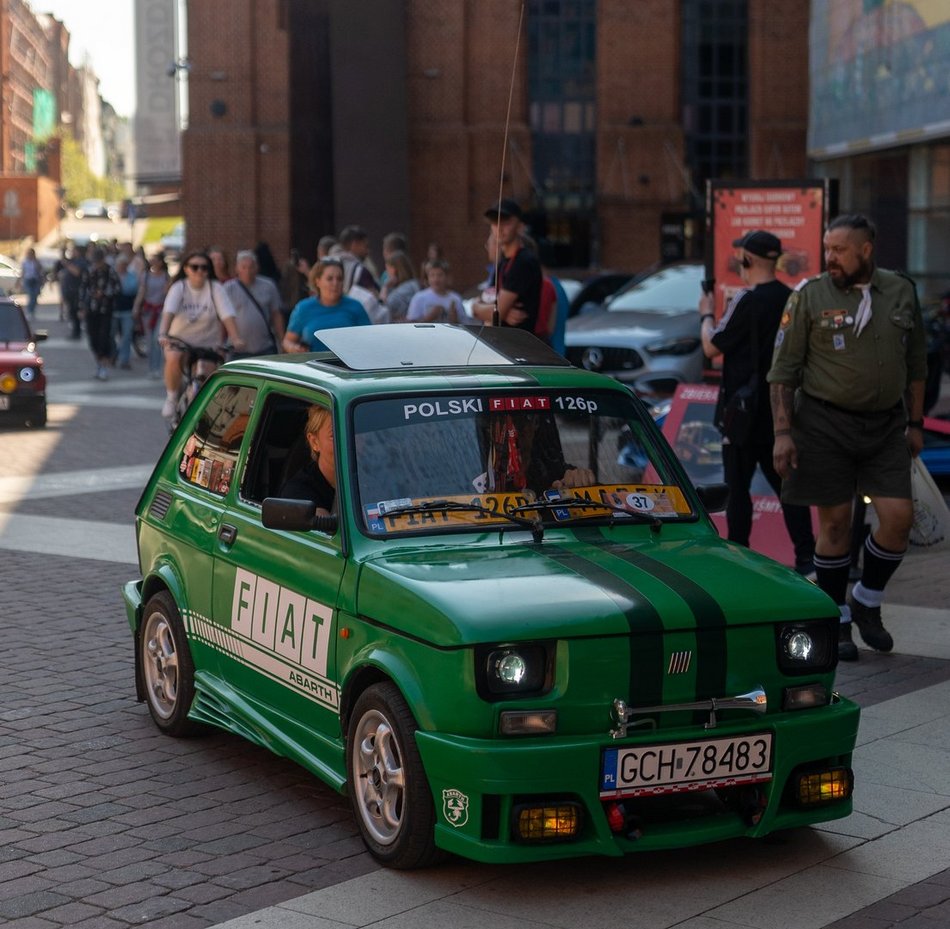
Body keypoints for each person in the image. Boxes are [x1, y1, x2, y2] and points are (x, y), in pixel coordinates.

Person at [768, 214, 928, 661]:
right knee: (835, 523)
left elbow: (916, 364)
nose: (830, 257)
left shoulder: (901, 291)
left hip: (884, 426)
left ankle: (867, 601)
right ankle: (836, 616)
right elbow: (782, 372)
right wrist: (783, 432)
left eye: (839, 249)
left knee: (898, 518)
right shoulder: (809, 296)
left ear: (866, 250)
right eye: (827, 248)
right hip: (823, 423)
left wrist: (915, 423)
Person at [700, 230, 815, 575]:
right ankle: (807, 558)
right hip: (780, 413)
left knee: (738, 488)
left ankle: (739, 558)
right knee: (787, 487)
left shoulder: (746, 300)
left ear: (748, 259)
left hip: (743, 414)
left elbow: (712, 347)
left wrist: (705, 314)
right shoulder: (791, 298)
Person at [157, 249, 245, 419]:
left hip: (207, 342)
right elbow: (168, 313)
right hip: (180, 340)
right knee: (173, 358)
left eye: (204, 268)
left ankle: (207, 410)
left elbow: (227, 314)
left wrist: (235, 337)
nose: (199, 271)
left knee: (209, 373)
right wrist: (163, 334)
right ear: (186, 269)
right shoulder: (179, 288)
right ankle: (172, 397)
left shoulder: (215, 288)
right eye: (194, 267)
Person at [470, 199, 542, 332]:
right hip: (499, 345)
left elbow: (497, 312)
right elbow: (490, 303)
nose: (499, 227)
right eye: (494, 222)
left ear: (520, 226)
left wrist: (476, 307)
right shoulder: (503, 262)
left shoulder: (523, 262)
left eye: (506, 222)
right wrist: (483, 308)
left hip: (516, 347)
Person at [283, 257, 371, 353]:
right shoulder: (303, 308)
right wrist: (294, 348)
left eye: (339, 279)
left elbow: (370, 339)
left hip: (348, 366)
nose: (335, 283)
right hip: (314, 365)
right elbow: (288, 341)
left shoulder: (355, 306)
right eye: (329, 279)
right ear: (318, 281)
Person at [223, 250, 285, 357]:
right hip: (237, 349)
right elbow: (224, 317)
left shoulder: (269, 286)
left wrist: (282, 340)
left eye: (251, 267)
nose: (248, 271)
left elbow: (276, 315)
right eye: (244, 267)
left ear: (257, 268)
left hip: (264, 347)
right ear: (237, 269)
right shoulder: (228, 288)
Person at [280, 404, 336, 515]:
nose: (349, 442)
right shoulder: (299, 493)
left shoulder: (376, 477)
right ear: (314, 442)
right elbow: (325, 528)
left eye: (354, 432)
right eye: (334, 435)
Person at [80, 247, 122, 381]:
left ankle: (103, 365)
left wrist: (104, 294)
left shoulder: (110, 272)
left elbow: (118, 289)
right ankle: (99, 362)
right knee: (93, 338)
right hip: (91, 310)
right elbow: (83, 289)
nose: (97, 265)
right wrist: (81, 307)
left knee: (104, 337)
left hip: (105, 310)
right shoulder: (89, 271)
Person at [133, 252, 171, 379]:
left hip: (160, 311)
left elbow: (168, 294)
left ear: (161, 262)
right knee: (149, 341)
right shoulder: (146, 276)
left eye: (156, 260)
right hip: (148, 311)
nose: (153, 262)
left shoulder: (165, 276)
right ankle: (151, 367)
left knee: (157, 339)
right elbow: (141, 292)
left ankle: (157, 368)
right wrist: (136, 307)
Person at [405, 258, 463, 323]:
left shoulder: (456, 298)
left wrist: (455, 319)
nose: (436, 279)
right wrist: (428, 318)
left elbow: (465, 324)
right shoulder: (419, 298)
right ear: (428, 278)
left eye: (440, 275)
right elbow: (410, 325)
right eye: (432, 275)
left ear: (447, 277)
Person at [112, 254, 140, 369]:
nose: (121, 267)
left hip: (127, 309)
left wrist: (119, 287)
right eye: (119, 265)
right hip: (113, 310)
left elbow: (131, 289)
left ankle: (124, 359)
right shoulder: (112, 276)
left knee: (127, 335)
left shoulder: (131, 276)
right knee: (111, 335)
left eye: (123, 265)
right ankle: (113, 354)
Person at [380, 250, 419, 322]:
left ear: (394, 269)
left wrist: (385, 287)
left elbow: (383, 309)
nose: (386, 272)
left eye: (387, 269)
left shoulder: (407, 288)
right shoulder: (413, 284)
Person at [19, 247, 44, 322]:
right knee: (31, 295)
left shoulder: (36, 261)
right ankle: (30, 311)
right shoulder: (25, 262)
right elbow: (23, 272)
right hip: (28, 280)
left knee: (35, 296)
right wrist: (19, 281)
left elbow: (40, 271)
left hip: (35, 280)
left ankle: (32, 311)